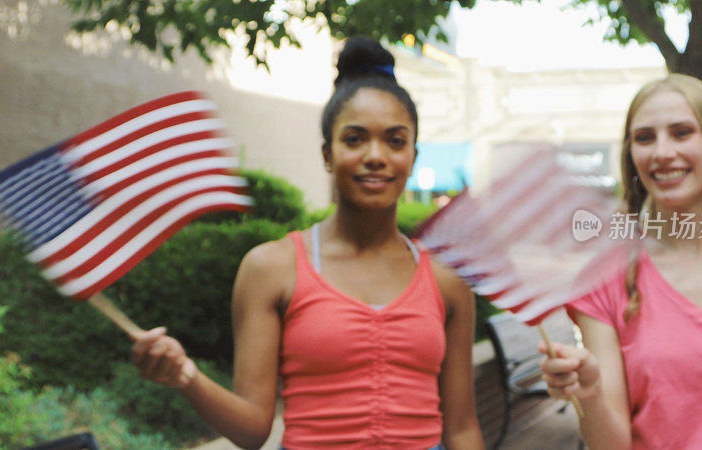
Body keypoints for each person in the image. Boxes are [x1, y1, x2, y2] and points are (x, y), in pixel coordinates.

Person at [130, 36, 484, 450]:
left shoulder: (448, 280)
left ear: (413, 156)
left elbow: (461, 429)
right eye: (354, 139)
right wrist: (184, 376)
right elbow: (252, 428)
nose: (376, 155)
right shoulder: (272, 268)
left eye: (395, 140)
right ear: (327, 154)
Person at [539, 74, 702, 449]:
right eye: (644, 138)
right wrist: (589, 393)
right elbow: (612, 445)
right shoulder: (604, 276)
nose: (661, 152)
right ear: (631, 154)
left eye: (681, 132)